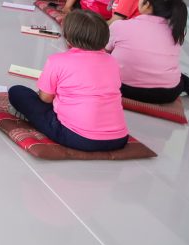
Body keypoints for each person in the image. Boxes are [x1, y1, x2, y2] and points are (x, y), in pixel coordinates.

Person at [7, 11, 129, 152]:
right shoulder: (112, 61)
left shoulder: (57, 61)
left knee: (17, 92)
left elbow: (45, 98)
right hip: (119, 139)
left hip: (77, 137)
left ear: (68, 38)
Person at [107, 0, 189, 104]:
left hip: (119, 87)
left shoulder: (120, 26)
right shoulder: (176, 33)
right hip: (165, 94)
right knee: (181, 77)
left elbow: (105, 51)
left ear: (147, 5)